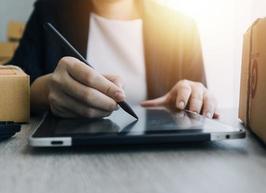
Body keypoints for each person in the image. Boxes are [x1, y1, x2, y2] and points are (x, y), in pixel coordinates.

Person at [9, 0, 218, 119]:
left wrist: (189, 101)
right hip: (70, 159)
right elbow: (10, 87)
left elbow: (199, 98)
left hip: (164, 159)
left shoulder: (181, 27)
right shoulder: (49, 13)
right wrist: (43, 93)